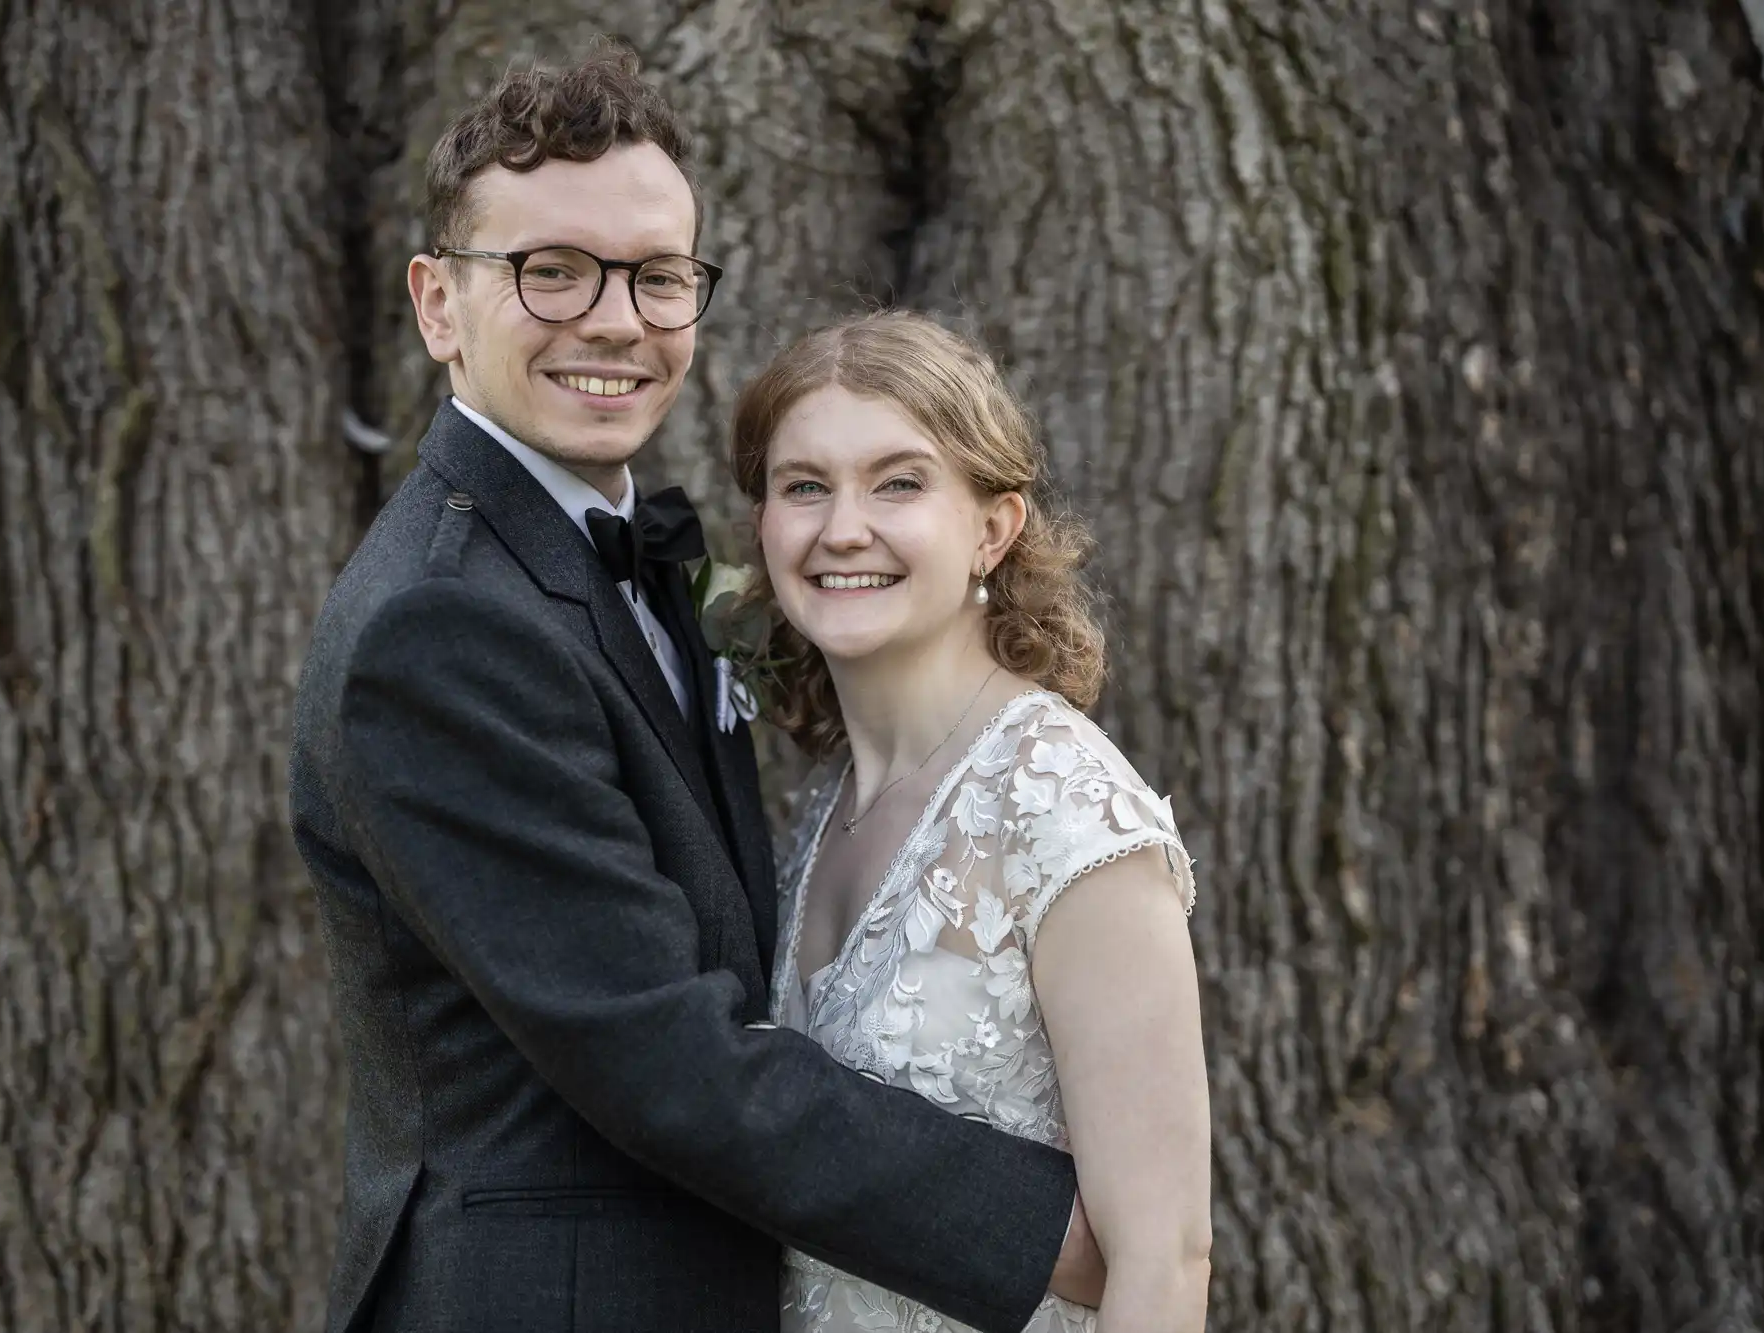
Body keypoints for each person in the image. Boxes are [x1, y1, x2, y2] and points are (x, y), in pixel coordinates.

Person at [288, 44, 1107, 1333]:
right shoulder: (438, 627)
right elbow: (665, 1057)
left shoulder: (643, 542)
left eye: (657, 277)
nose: (614, 320)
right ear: (438, 304)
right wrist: (1048, 1230)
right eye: (549, 271)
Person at [727, 311, 1214, 1333]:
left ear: (991, 527)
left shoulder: (1062, 806)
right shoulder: (820, 815)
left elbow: (1163, 1260)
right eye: (802, 485)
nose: (841, 527)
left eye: (897, 482)